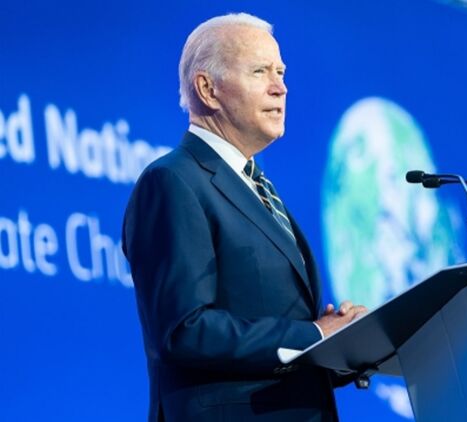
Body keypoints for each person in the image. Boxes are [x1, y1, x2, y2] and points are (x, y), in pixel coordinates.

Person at [122, 13, 366, 422]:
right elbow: (184, 331)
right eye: (260, 72)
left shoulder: (257, 186)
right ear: (208, 89)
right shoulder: (173, 181)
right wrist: (313, 334)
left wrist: (338, 346)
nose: (280, 87)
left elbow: (272, 341)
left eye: (281, 72)